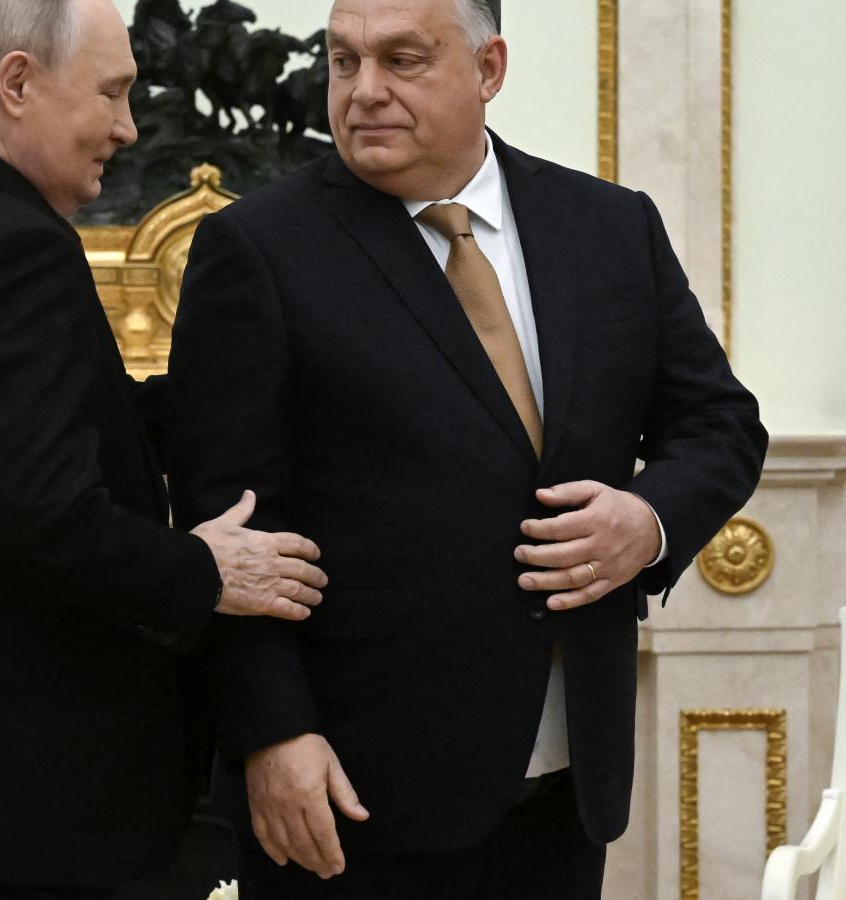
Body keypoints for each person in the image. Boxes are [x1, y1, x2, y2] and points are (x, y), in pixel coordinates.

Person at [166, 0, 768, 896]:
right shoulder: (257, 248)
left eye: (402, 60)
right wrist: (271, 734)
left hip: (568, 786)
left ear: (489, 69)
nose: (364, 91)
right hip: (355, 793)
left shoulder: (610, 226)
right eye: (344, 61)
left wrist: (647, 522)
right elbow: (233, 527)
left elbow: (720, 423)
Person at [0, 1, 329, 897]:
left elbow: (79, 426)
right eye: (112, 93)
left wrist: (263, 389)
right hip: (4, 801)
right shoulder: (12, 246)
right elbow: (47, 519)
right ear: (18, 83)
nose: (127, 128)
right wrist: (207, 570)